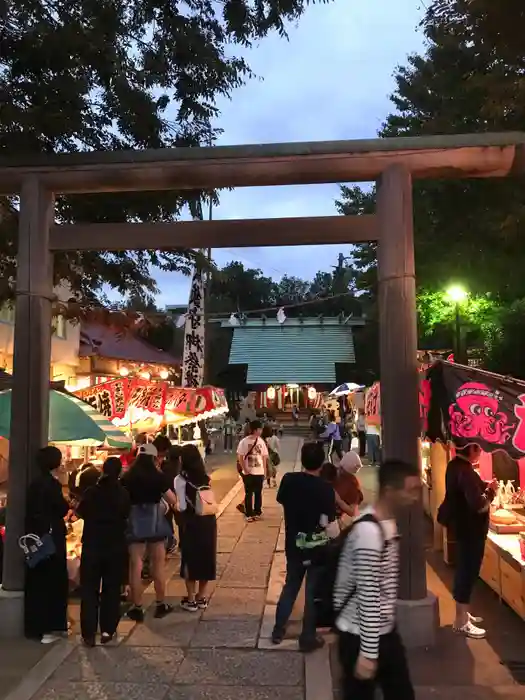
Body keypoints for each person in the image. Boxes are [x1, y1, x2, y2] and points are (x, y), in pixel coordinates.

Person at [334, 459, 421, 700]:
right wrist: (369, 652)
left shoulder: (387, 523)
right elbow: (368, 594)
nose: (415, 497)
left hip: (383, 632)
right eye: (411, 490)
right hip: (359, 635)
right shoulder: (369, 533)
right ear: (390, 491)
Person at [272, 441, 336, 653]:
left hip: (293, 542)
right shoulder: (326, 489)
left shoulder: (289, 480)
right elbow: (329, 522)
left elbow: (281, 499)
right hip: (316, 547)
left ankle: (278, 629)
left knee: (291, 585)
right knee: (312, 592)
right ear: (321, 462)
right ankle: (308, 636)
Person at [440, 444, 497, 639]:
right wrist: (491, 492)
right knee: (467, 572)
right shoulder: (465, 471)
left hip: (462, 528)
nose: (481, 452)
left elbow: (466, 492)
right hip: (470, 531)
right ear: (471, 450)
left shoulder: (455, 465)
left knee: (464, 570)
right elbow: (478, 505)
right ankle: (461, 622)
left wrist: (484, 486)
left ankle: (463, 614)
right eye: (479, 449)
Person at [121, 443, 178, 622]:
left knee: (135, 565)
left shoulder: (127, 477)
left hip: (135, 521)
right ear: (154, 458)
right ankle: (160, 604)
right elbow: (173, 500)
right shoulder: (158, 477)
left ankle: (137, 607)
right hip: (155, 522)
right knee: (158, 565)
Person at [76, 457, 130, 646]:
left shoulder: (92, 492)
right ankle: (108, 630)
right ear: (119, 472)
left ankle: (88, 633)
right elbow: (126, 515)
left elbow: (80, 512)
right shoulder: (123, 493)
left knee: (89, 589)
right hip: (115, 545)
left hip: (92, 544)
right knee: (111, 589)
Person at [24, 446, 69, 644]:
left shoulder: (34, 484)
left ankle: (35, 627)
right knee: (53, 581)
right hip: (51, 539)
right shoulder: (52, 485)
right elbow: (60, 508)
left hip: (36, 539)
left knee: (37, 581)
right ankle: (50, 628)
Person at [174, 444, 217, 611]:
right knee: (206, 557)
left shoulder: (180, 480)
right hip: (208, 521)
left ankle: (190, 599)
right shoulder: (206, 478)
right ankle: (202, 597)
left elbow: (183, 506)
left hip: (191, 522)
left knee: (190, 559)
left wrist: (174, 507)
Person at [237, 419, 268, 521]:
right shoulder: (244, 442)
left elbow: (264, 456)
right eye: (260, 429)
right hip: (248, 471)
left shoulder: (261, 441)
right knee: (249, 493)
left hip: (259, 471)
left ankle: (257, 511)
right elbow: (240, 457)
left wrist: (264, 470)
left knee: (258, 493)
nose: (261, 431)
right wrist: (245, 470)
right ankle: (249, 513)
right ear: (255, 430)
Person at [262, 424, 280, 488]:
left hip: (267, 455)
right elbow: (278, 447)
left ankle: (268, 483)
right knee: (274, 468)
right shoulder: (275, 438)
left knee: (269, 468)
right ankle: (274, 480)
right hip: (274, 454)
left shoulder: (265, 439)